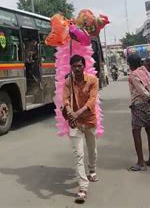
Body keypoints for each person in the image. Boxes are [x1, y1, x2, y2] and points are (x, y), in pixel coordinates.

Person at [63, 54, 99, 204]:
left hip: (89, 121)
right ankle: (83, 188)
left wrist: (78, 112)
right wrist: (69, 109)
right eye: (74, 66)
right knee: (78, 154)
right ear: (71, 67)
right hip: (75, 123)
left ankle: (92, 170)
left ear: (84, 66)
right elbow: (65, 99)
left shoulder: (93, 80)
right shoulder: (68, 82)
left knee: (92, 149)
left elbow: (92, 100)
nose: (77, 68)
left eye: (79, 66)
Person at [127, 54, 150, 171]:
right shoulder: (147, 72)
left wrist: (149, 99)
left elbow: (142, 92)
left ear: (130, 64)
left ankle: (141, 162)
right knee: (149, 129)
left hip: (139, 105)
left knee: (136, 131)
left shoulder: (133, 75)